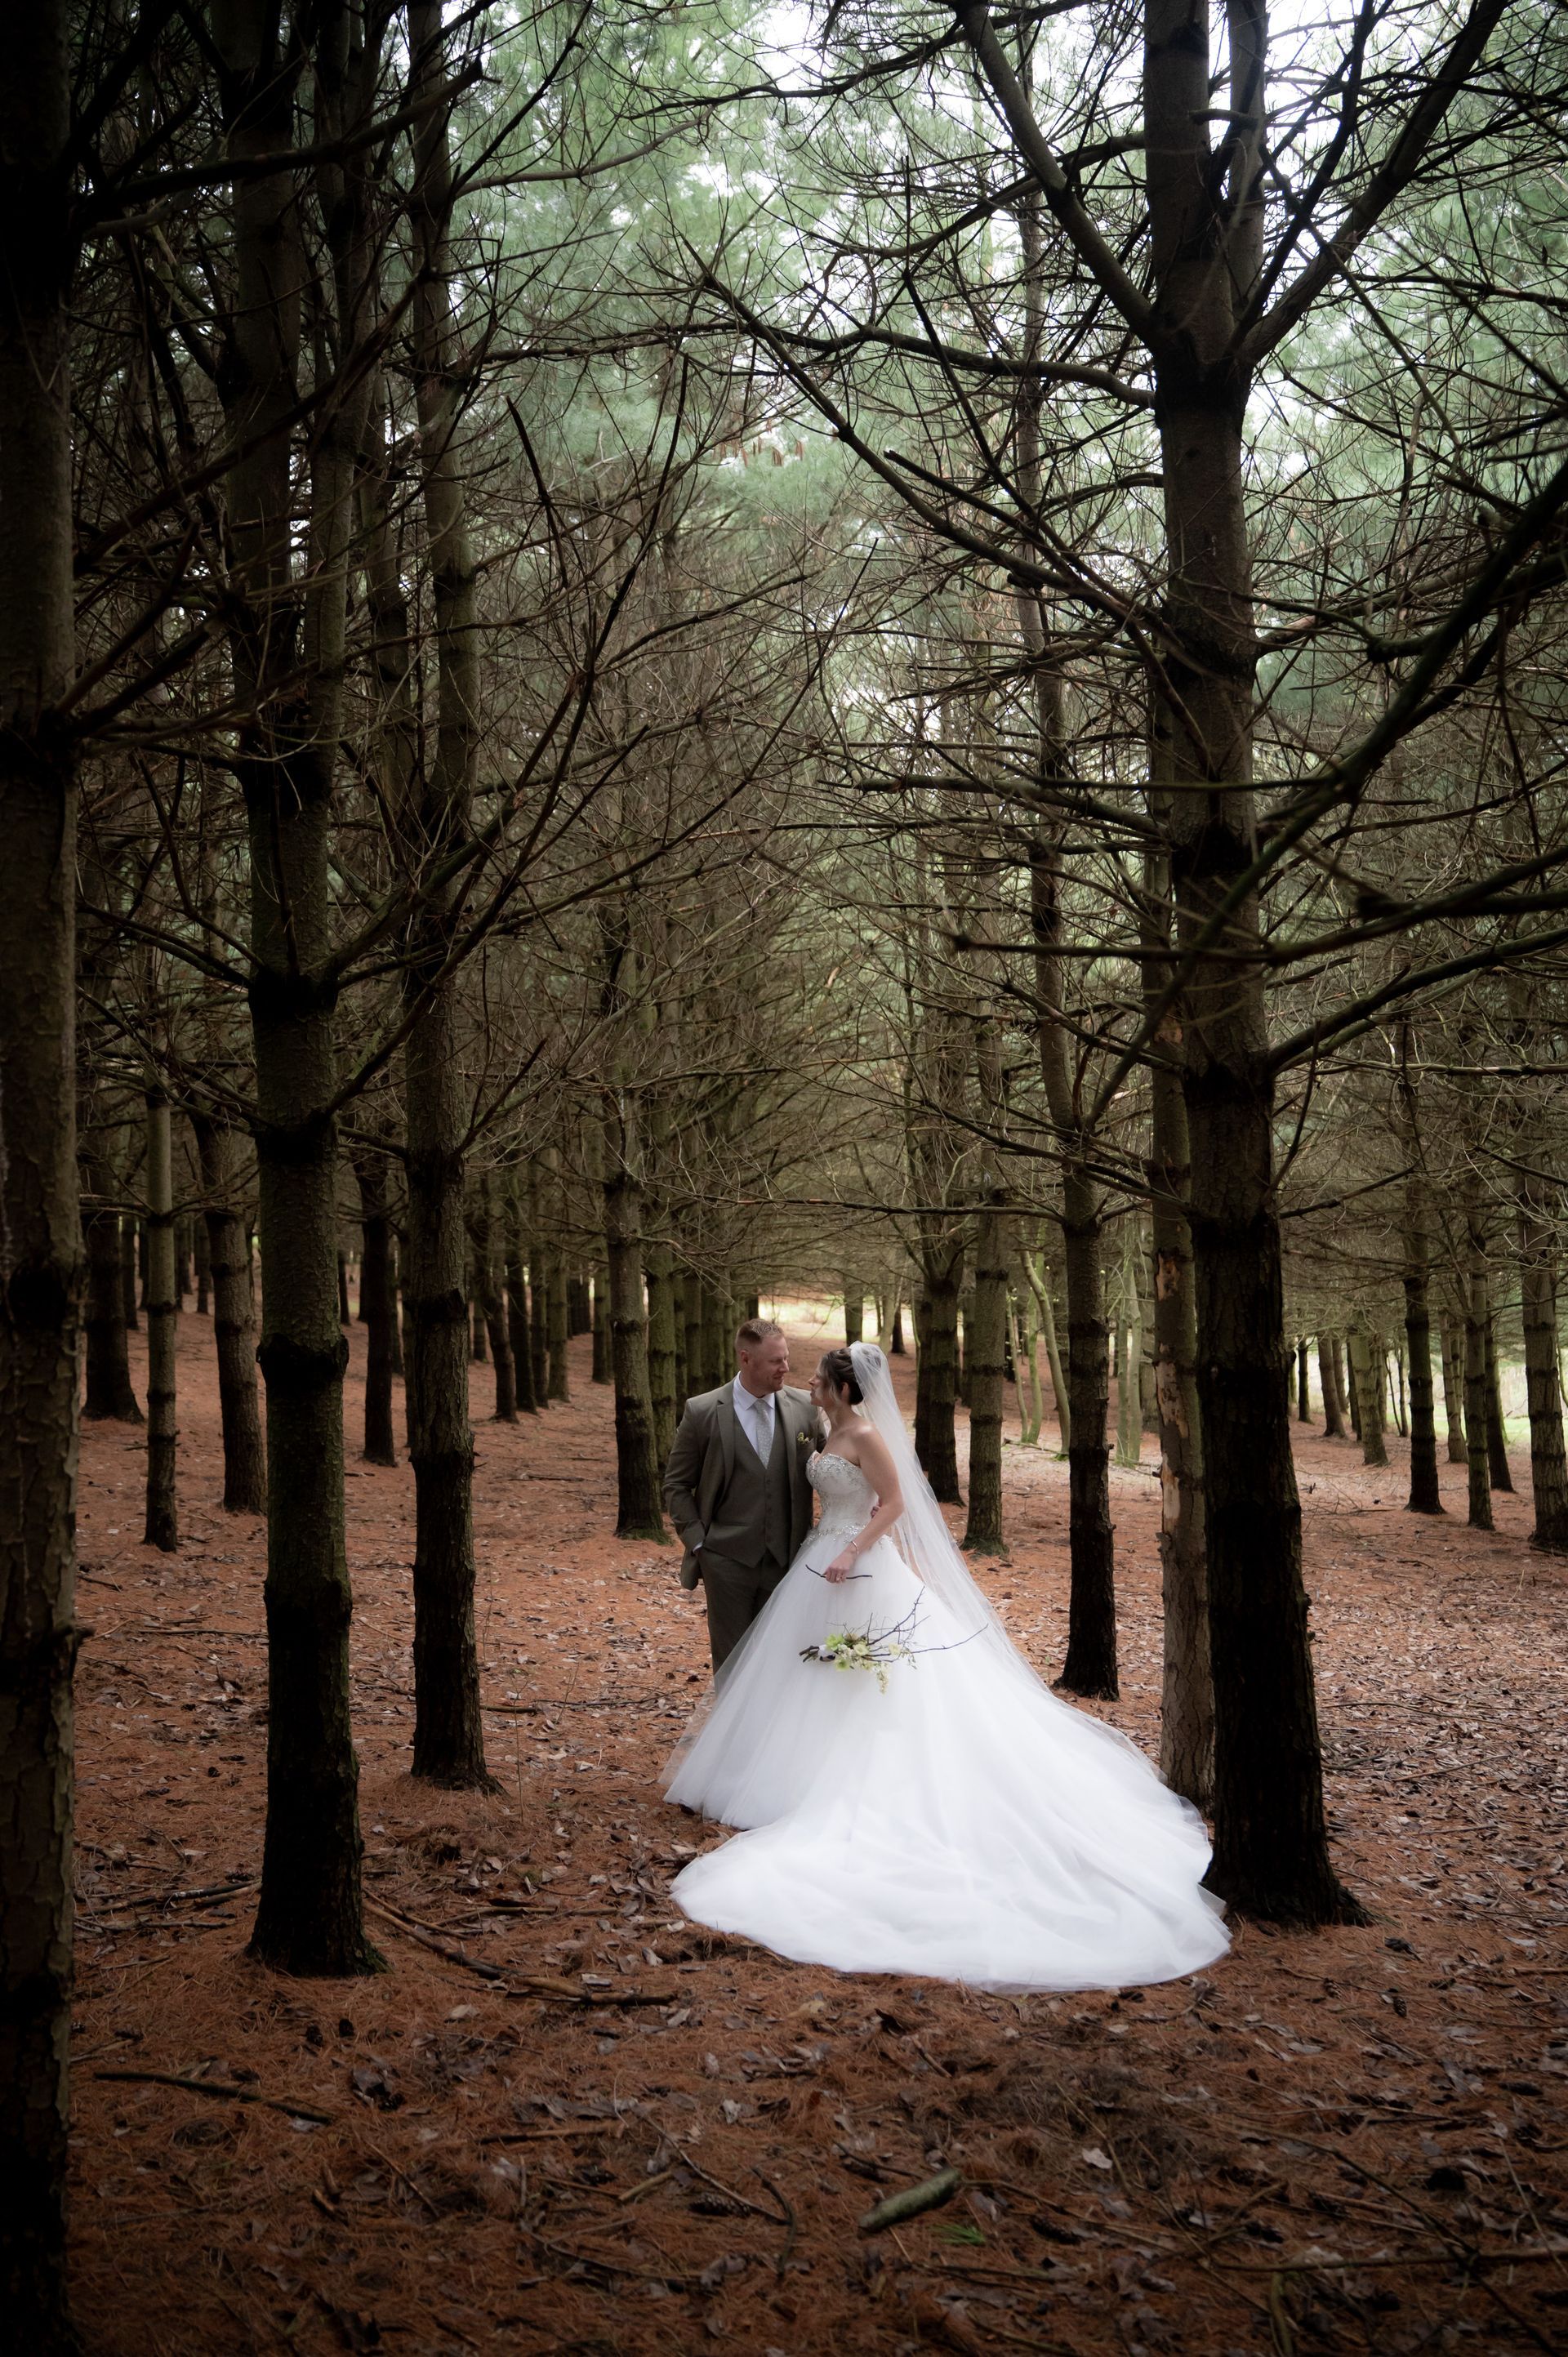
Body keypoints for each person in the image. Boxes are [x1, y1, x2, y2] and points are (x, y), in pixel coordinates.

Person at [663, 1340, 1230, 1992]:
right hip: (815, 1567)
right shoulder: (824, 1425)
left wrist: (853, 1550)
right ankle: (791, 1777)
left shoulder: (868, 1434)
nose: (808, 1383)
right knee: (815, 1679)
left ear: (844, 1390)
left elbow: (897, 1502)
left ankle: (858, 1783)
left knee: (880, 1684)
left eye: (820, 1377)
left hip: (856, 1565)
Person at [662, 1317, 822, 1673]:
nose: (786, 1367)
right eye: (775, 1361)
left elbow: (834, 1463)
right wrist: (700, 1543)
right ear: (746, 1359)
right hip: (726, 1561)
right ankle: (733, 1731)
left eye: (786, 1357)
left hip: (788, 1561)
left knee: (782, 1661)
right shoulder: (702, 1411)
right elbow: (676, 1484)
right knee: (732, 1663)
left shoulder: (805, 1408)